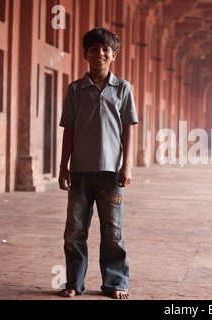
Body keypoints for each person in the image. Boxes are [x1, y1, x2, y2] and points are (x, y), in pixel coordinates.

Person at [57, 27, 138, 299]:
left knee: (113, 232)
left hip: (111, 173)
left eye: (105, 50)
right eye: (94, 49)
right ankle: (73, 283)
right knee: (75, 231)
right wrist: (62, 166)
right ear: (85, 54)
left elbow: (129, 128)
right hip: (79, 170)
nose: (99, 54)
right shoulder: (75, 89)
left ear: (113, 55)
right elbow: (68, 129)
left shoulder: (123, 88)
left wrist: (127, 166)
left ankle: (115, 283)